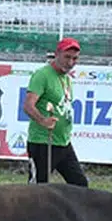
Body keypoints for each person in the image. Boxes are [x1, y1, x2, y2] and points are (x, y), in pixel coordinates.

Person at [23, 37, 89, 186]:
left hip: (63, 142)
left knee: (80, 184)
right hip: (43, 142)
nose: (70, 62)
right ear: (57, 54)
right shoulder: (42, 75)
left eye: (75, 59)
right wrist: (43, 121)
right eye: (67, 57)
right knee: (38, 189)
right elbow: (28, 105)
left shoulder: (66, 78)